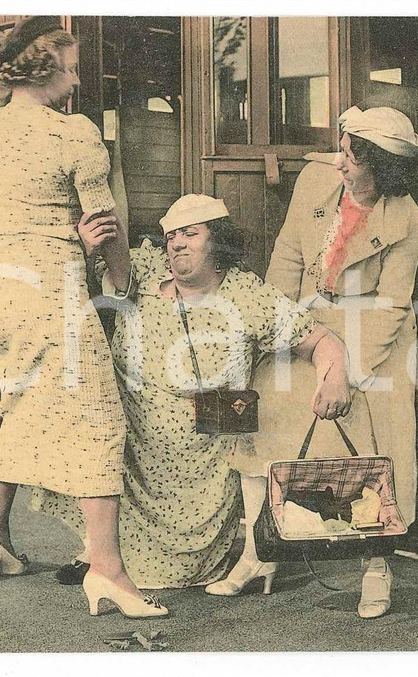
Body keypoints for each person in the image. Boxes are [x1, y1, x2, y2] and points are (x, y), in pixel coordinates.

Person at [51, 194, 350, 590]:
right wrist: (92, 248)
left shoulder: (247, 296)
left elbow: (321, 341)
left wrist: (334, 379)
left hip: (201, 455)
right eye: (171, 235)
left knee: (174, 574)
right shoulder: (143, 272)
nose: (176, 243)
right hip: (130, 436)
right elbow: (100, 271)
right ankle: (98, 546)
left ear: (218, 243)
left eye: (190, 234)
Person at [0, 16, 166, 619]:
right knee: (101, 419)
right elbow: (105, 222)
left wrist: (69, 235)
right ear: (46, 63)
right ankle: (108, 572)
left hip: (4, 288)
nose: (78, 79)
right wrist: (121, 279)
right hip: (51, 292)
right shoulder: (76, 133)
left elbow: (31, 210)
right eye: (73, 66)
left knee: (22, 406)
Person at [208, 106, 418, 619]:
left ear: (382, 167)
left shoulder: (406, 219)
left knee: (373, 451)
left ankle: (377, 568)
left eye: (351, 157)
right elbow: (286, 257)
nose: (341, 163)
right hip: (305, 322)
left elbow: (393, 303)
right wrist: (272, 327)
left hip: (373, 337)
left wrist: (345, 373)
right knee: (263, 429)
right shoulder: (315, 181)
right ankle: (258, 553)